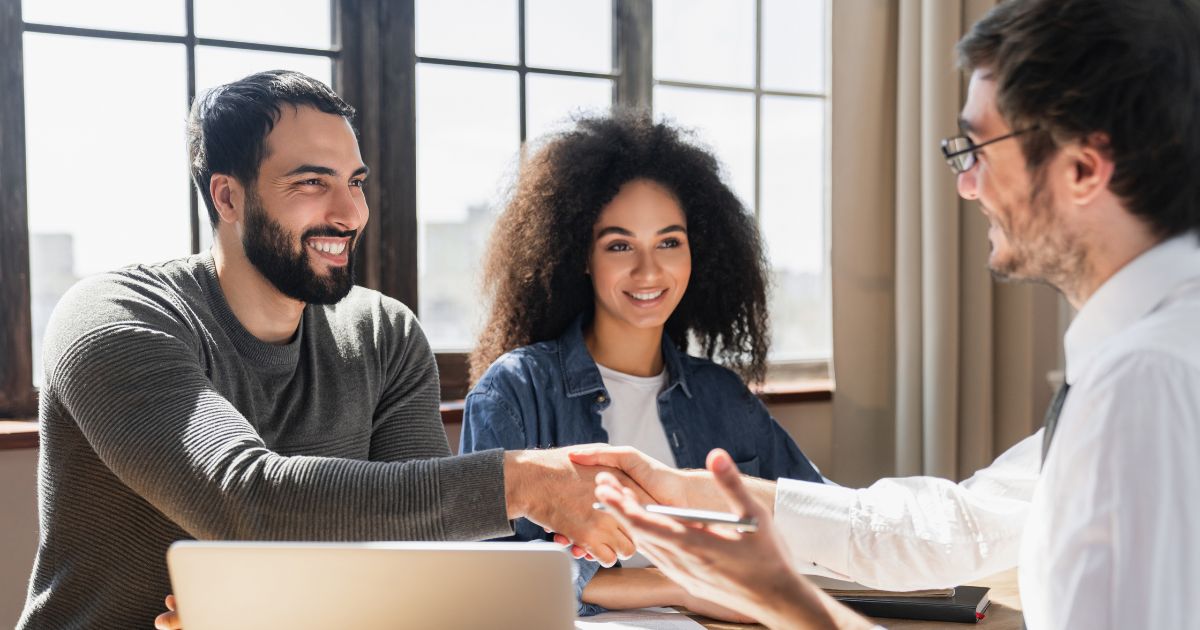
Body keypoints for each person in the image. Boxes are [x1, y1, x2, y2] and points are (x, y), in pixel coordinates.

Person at [575, 0, 1200, 627]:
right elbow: (962, 527)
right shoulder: (1145, 359)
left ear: (1082, 168)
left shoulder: (1145, 383)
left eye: (978, 147)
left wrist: (779, 598)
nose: (966, 183)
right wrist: (690, 492)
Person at [17, 70, 649, 629]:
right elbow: (242, 498)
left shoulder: (384, 333)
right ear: (227, 196)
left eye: (356, 181)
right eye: (311, 182)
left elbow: (416, 559)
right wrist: (524, 483)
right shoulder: (113, 317)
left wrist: (266, 613)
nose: (350, 212)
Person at [458, 112, 824, 618]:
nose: (649, 270)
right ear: (581, 256)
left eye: (669, 242)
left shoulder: (723, 397)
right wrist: (675, 585)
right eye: (620, 245)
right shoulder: (516, 392)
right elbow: (489, 579)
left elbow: (824, 524)